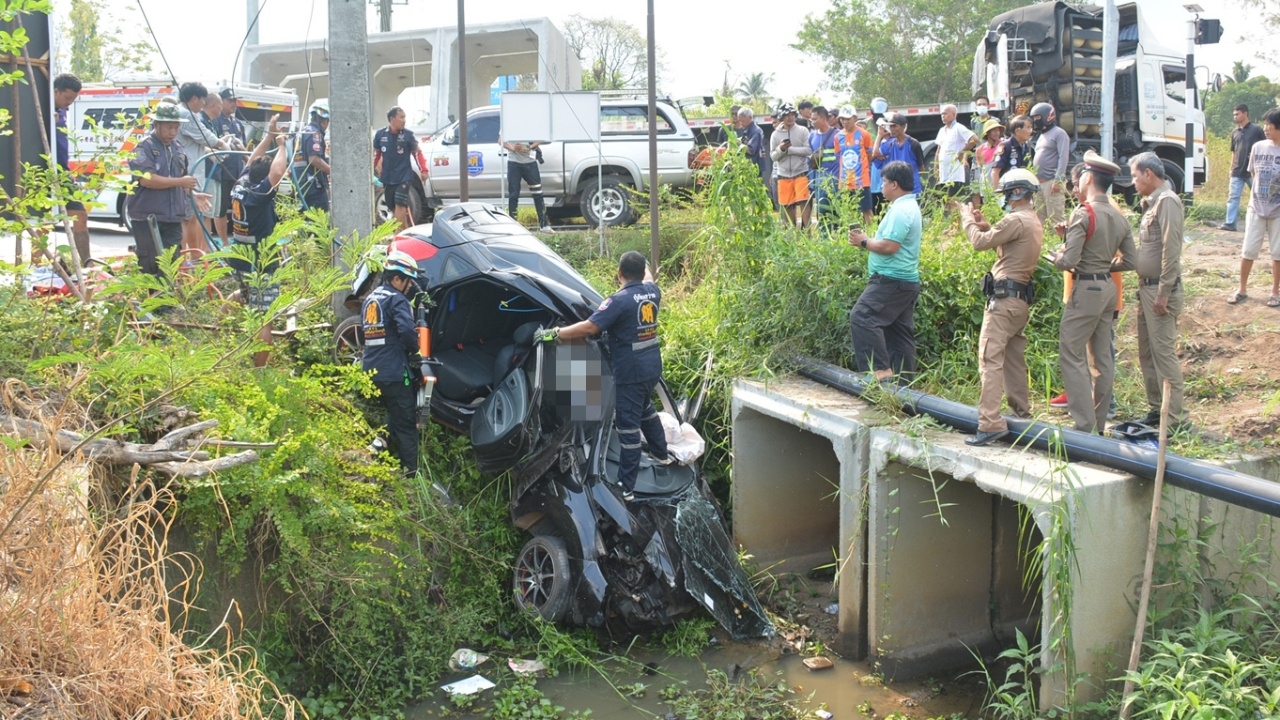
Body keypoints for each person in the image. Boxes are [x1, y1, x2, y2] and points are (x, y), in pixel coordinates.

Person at [540, 251, 673, 501]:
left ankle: (627, 486)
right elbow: (650, 276)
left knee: (628, 428)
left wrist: (556, 333)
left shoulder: (618, 301)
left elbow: (590, 327)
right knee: (646, 410)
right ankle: (661, 453)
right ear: (641, 271)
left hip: (631, 372)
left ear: (619, 274)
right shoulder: (653, 292)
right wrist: (642, 263)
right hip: (651, 367)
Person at [1048, 152, 1137, 435]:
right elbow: (1132, 261)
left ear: (1087, 178)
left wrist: (1057, 255)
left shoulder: (1084, 212)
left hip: (1086, 289)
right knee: (1102, 358)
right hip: (1108, 289)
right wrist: (1105, 265)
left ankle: (1083, 425)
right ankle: (1098, 423)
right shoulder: (1118, 215)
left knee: (1072, 353)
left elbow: (1068, 261)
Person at [957, 168, 1044, 446]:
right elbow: (1000, 239)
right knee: (1013, 360)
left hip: (1004, 301)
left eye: (1006, 194)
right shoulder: (1031, 220)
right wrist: (986, 225)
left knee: (990, 360)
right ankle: (1022, 414)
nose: (1004, 199)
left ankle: (990, 422)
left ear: (1017, 193)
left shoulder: (1016, 219)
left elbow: (979, 243)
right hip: (1019, 302)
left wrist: (967, 219)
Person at [847, 161, 922, 383]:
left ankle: (880, 373)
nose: (882, 186)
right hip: (903, 281)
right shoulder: (908, 207)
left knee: (862, 317)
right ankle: (905, 385)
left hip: (891, 280)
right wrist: (869, 241)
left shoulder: (901, 210)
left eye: (885, 182)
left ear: (895, 185)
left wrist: (863, 242)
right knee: (899, 333)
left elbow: (890, 247)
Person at [1129, 152, 1187, 427]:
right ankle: (1157, 410)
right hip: (1147, 289)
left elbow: (1171, 248)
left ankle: (1175, 418)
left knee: (1163, 355)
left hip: (1160, 292)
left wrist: (1164, 291)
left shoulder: (1167, 202)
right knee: (1147, 353)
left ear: (1148, 174)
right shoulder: (1151, 203)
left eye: (1134, 175)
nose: (1133, 181)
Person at [228, 114, 288, 367]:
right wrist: (283, 145)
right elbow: (276, 172)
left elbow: (253, 160)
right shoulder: (260, 193)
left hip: (240, 259)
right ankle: (259, 371)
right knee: (265, 317)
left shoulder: (241, 184)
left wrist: (269, 136)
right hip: (261, 263)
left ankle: (218, 335)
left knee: (243, 296)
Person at [361, 250, 425, 476]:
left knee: (395, 412)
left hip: (371, 371)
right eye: (407, 281)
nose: (409, 287)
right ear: (396, 279)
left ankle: (377, 447)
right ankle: (412, 476)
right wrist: (416, 354)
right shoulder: (397, 299)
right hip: (394, 371)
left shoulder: (371, 298)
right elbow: (407, 331)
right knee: (407, 424)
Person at [127, 103, 205, 276]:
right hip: (148, 217)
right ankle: (153, 301)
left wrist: (194, 194)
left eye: (176, 127)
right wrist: (179, 182)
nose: (173, 132)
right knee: (151, 265)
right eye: (169, 127)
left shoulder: (178, 148)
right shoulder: (143, 148)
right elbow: (147, 180)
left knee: (172, 264)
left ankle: (168, 302)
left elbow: (181, 180)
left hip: (172, 217)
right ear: (156, 125)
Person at [1229, 108, 1280, 306]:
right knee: (1248, 250)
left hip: (1278, 211)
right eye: (1265, 124)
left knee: (1277, 253)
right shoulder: (1259, 147)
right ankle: (1242, 288)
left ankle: (1275, 292)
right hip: (1256, 208)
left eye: (1270, 125)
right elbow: (1253, 175)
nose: (1266, 128)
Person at [175, 82, 228, 256]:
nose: (203, 104)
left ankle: (195, 254)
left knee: (192, 217)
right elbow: (206, 137)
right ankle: (190, 256)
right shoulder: (186, 114)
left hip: (190, 172)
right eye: (202, 100)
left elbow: (197, 143)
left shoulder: (185, 113)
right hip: (187, 174)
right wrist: (222, 144)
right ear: (194, 98)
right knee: (188, 218)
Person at [52, 73, 90, 266]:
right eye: (67, 98)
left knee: (80, 214)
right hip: (45, 173)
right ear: (55, 91)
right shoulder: (41, 107)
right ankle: (34, 266)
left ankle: (86, 262)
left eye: (73, 100)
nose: (69, 103)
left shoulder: (62, 111)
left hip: (64, 174)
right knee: (44, 222)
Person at [374, 106, 429, 230]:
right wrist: (373, 169)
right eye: (401, 117)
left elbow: (417, 153)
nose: (404, 120)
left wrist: (424, 170)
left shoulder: (408, 135)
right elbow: (376, 155)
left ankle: (397, 233)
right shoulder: (380, 135)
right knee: (391, 203)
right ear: (392, 119)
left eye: (404, 117)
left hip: (404, 176)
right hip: (388, 177)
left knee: (400, 202)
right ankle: (405, 230)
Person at [1221, 104, 1267, 233]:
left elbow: (1265, 146)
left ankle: (1265, 222)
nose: (1235, 117)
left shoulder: (1257, 130)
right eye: (1234, 114)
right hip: (1237, 170)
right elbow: (1234, 152)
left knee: (1260, 196)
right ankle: (1230, 223)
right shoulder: (1235, 132)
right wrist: (1231, 168)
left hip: (1254, 170)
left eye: (1238, 114)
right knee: (1233, 197)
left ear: (1245, 113)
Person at [501, 131, 553, 232]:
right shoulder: (508, 122)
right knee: (514, 194)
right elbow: (500, 141)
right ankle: (513, 224)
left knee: (538, 193)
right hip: (514, 163)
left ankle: (544, 225)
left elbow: (541, 138)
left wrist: (530, 147)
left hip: (530, 163)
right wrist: (512, 148)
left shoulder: (530, 123)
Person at [770, 103, 812, 228]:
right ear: (782, 117)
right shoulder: (775, 135)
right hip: (783, 174)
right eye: (787, 115)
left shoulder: (802, 130)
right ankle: (791, 234)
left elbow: (809, 150)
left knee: (804, 203)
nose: (790, 118)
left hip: (801, 172)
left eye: (792, 115)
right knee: (787, 205)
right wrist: (781, 149)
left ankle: (807, 233)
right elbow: (773, 156)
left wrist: (790, 149)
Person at [1030, 102, 1070, 225]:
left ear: (1047, 116)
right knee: (1040, 220)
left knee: (1056, 219)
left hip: (1051, 182)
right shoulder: (1041, 136)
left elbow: (1063, 157)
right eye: (1034, 118)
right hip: (1039, 184)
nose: (1035, 120)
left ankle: (1062, 243)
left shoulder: (1060, 133)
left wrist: (1058, 181)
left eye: (1037, 117)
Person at [835, 106, 874, 226]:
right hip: (845, 181)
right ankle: (853, 237)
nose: (845, 122)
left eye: (848, 118)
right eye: (842, 119)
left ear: (855, 118)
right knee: (849, 210)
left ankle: (872, 234)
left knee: (866, 209)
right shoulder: (838, 137)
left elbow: (869, 155)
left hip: (862, 181)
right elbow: (839, 157)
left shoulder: (864, 134)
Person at [872, 113, 925, 195]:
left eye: (895, 126)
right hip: (897, 192)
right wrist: (879, 136)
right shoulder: (890, 144)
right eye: (890, 126)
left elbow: (921, 168)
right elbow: (875, 153)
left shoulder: (913, 144)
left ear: (903, 127)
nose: (892, 129)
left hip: (913, 191)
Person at [934, 103, 978, 197]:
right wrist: (936, 167)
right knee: (946, 202)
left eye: (945, 114)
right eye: (942, 114)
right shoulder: (942, 130)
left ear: (954, 115)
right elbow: (938, 150)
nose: (943, 116)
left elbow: (974, 139)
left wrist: (961, 153)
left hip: (955, 174)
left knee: (954, 201)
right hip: (944, 173)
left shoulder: (958, 128)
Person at [808, 106, 840, 231]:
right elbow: (810, 161)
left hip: (835, 181)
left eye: (815, 119)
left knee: (837, 213)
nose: (812, 121)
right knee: (821, 213)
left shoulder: (837, 135)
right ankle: (824, 241)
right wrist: (812, 183)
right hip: (819, 183)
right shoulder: (811, 136)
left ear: (823, 118)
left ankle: (838, 239)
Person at [297, 99, 332, 212]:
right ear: (324, 121)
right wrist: (332, 171)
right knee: (319, 222)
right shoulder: (314, 133)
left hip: (302, 185)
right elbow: (314, 159)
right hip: (313, 187)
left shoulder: (302, 132)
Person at [991, 115, 1033, 189]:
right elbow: (995, 172)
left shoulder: (1026, 146)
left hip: (1022, 189)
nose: (1031, 130)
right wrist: (998, 194)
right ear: (1017, 131)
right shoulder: (1006, 146)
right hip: (1008, 190)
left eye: (1031, 127)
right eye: (1028, 127)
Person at [975, 118, 1005, 190]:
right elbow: (981, 167)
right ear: (988, 133)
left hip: (1001, 181)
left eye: (998, 130)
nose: (997, 133)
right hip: (986, 183)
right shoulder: (980, 149)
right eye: (994, 131)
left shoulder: (1003, 145)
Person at [737, 107, 766, 180]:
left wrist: (739, 144)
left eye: (742, 121)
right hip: (748, 167)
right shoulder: (747, 129)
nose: (741, 123)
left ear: (750, 117)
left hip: (754, 167)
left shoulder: (755, 131)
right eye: (740, 121)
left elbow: (750, 149)